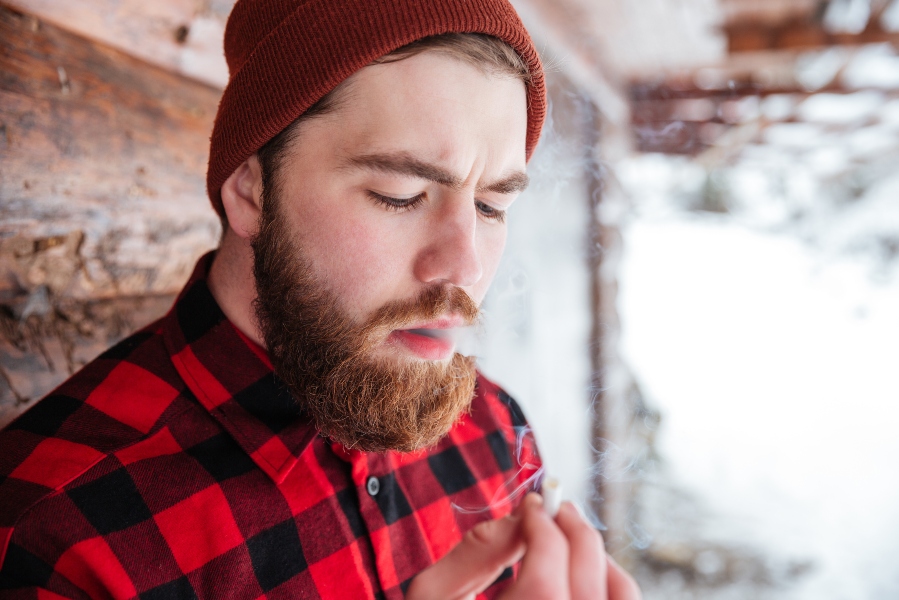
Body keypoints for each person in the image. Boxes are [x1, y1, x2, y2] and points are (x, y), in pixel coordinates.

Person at [0, 0, 641, 598]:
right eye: (399, 193)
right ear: (250, 191)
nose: (465, 267)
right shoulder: (61, 531)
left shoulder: (496, 433)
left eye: (491, 206)